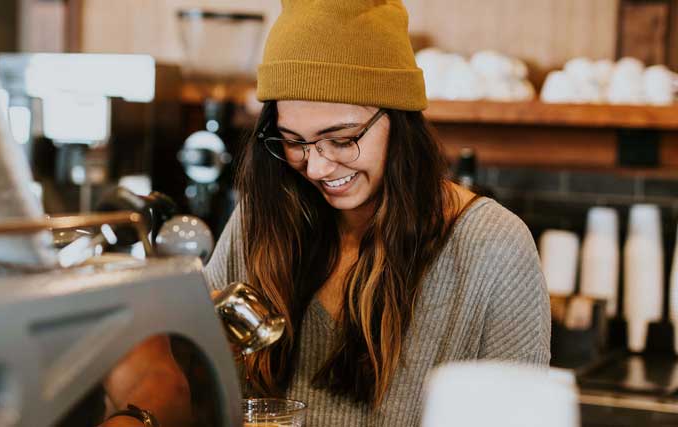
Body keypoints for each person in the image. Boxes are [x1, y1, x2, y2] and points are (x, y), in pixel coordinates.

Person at [101, 0, 550, 425]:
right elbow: (197, 381)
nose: (315, 166)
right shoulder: (264, 220)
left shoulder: (493, 246)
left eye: (342, 138)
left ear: (399, 119)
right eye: (294, 141)